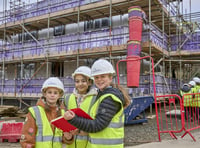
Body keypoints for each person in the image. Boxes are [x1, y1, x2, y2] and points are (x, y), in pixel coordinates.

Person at [63, 59, 130, 148]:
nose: (99, 80)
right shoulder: (102, 96)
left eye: (103, 76)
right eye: (97, 77)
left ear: (110, 78)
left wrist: (73, 119)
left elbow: (97, 125)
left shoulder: (110, 98)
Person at [20, 77, 73, 148]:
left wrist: (68, 138)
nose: (52, 95)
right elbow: (27, 139)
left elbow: (64, 138)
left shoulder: (63, 113)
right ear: (44, 94)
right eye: (49, 92)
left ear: (60, 95)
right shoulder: (34, 112)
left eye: (55, 93)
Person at [64, 66, 97, 148]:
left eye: (83, 81)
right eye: (77, 81)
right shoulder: (67, 98)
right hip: (71, 144)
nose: (80, 84)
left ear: (89, 82)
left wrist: (82, 131)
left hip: (89, 144)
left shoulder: (96, 98)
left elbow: (98, 123)